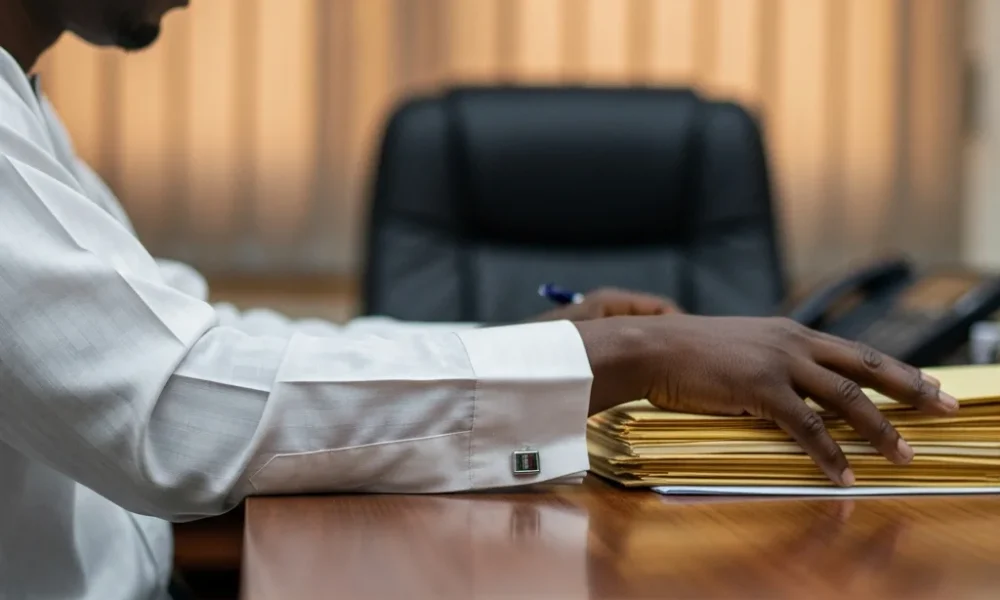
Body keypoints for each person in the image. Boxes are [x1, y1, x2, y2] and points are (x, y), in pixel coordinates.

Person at [0, 1, 959, 599]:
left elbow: (206, 334)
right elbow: (175, 410)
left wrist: (521, 345)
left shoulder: (25, 108)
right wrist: (614, 361)